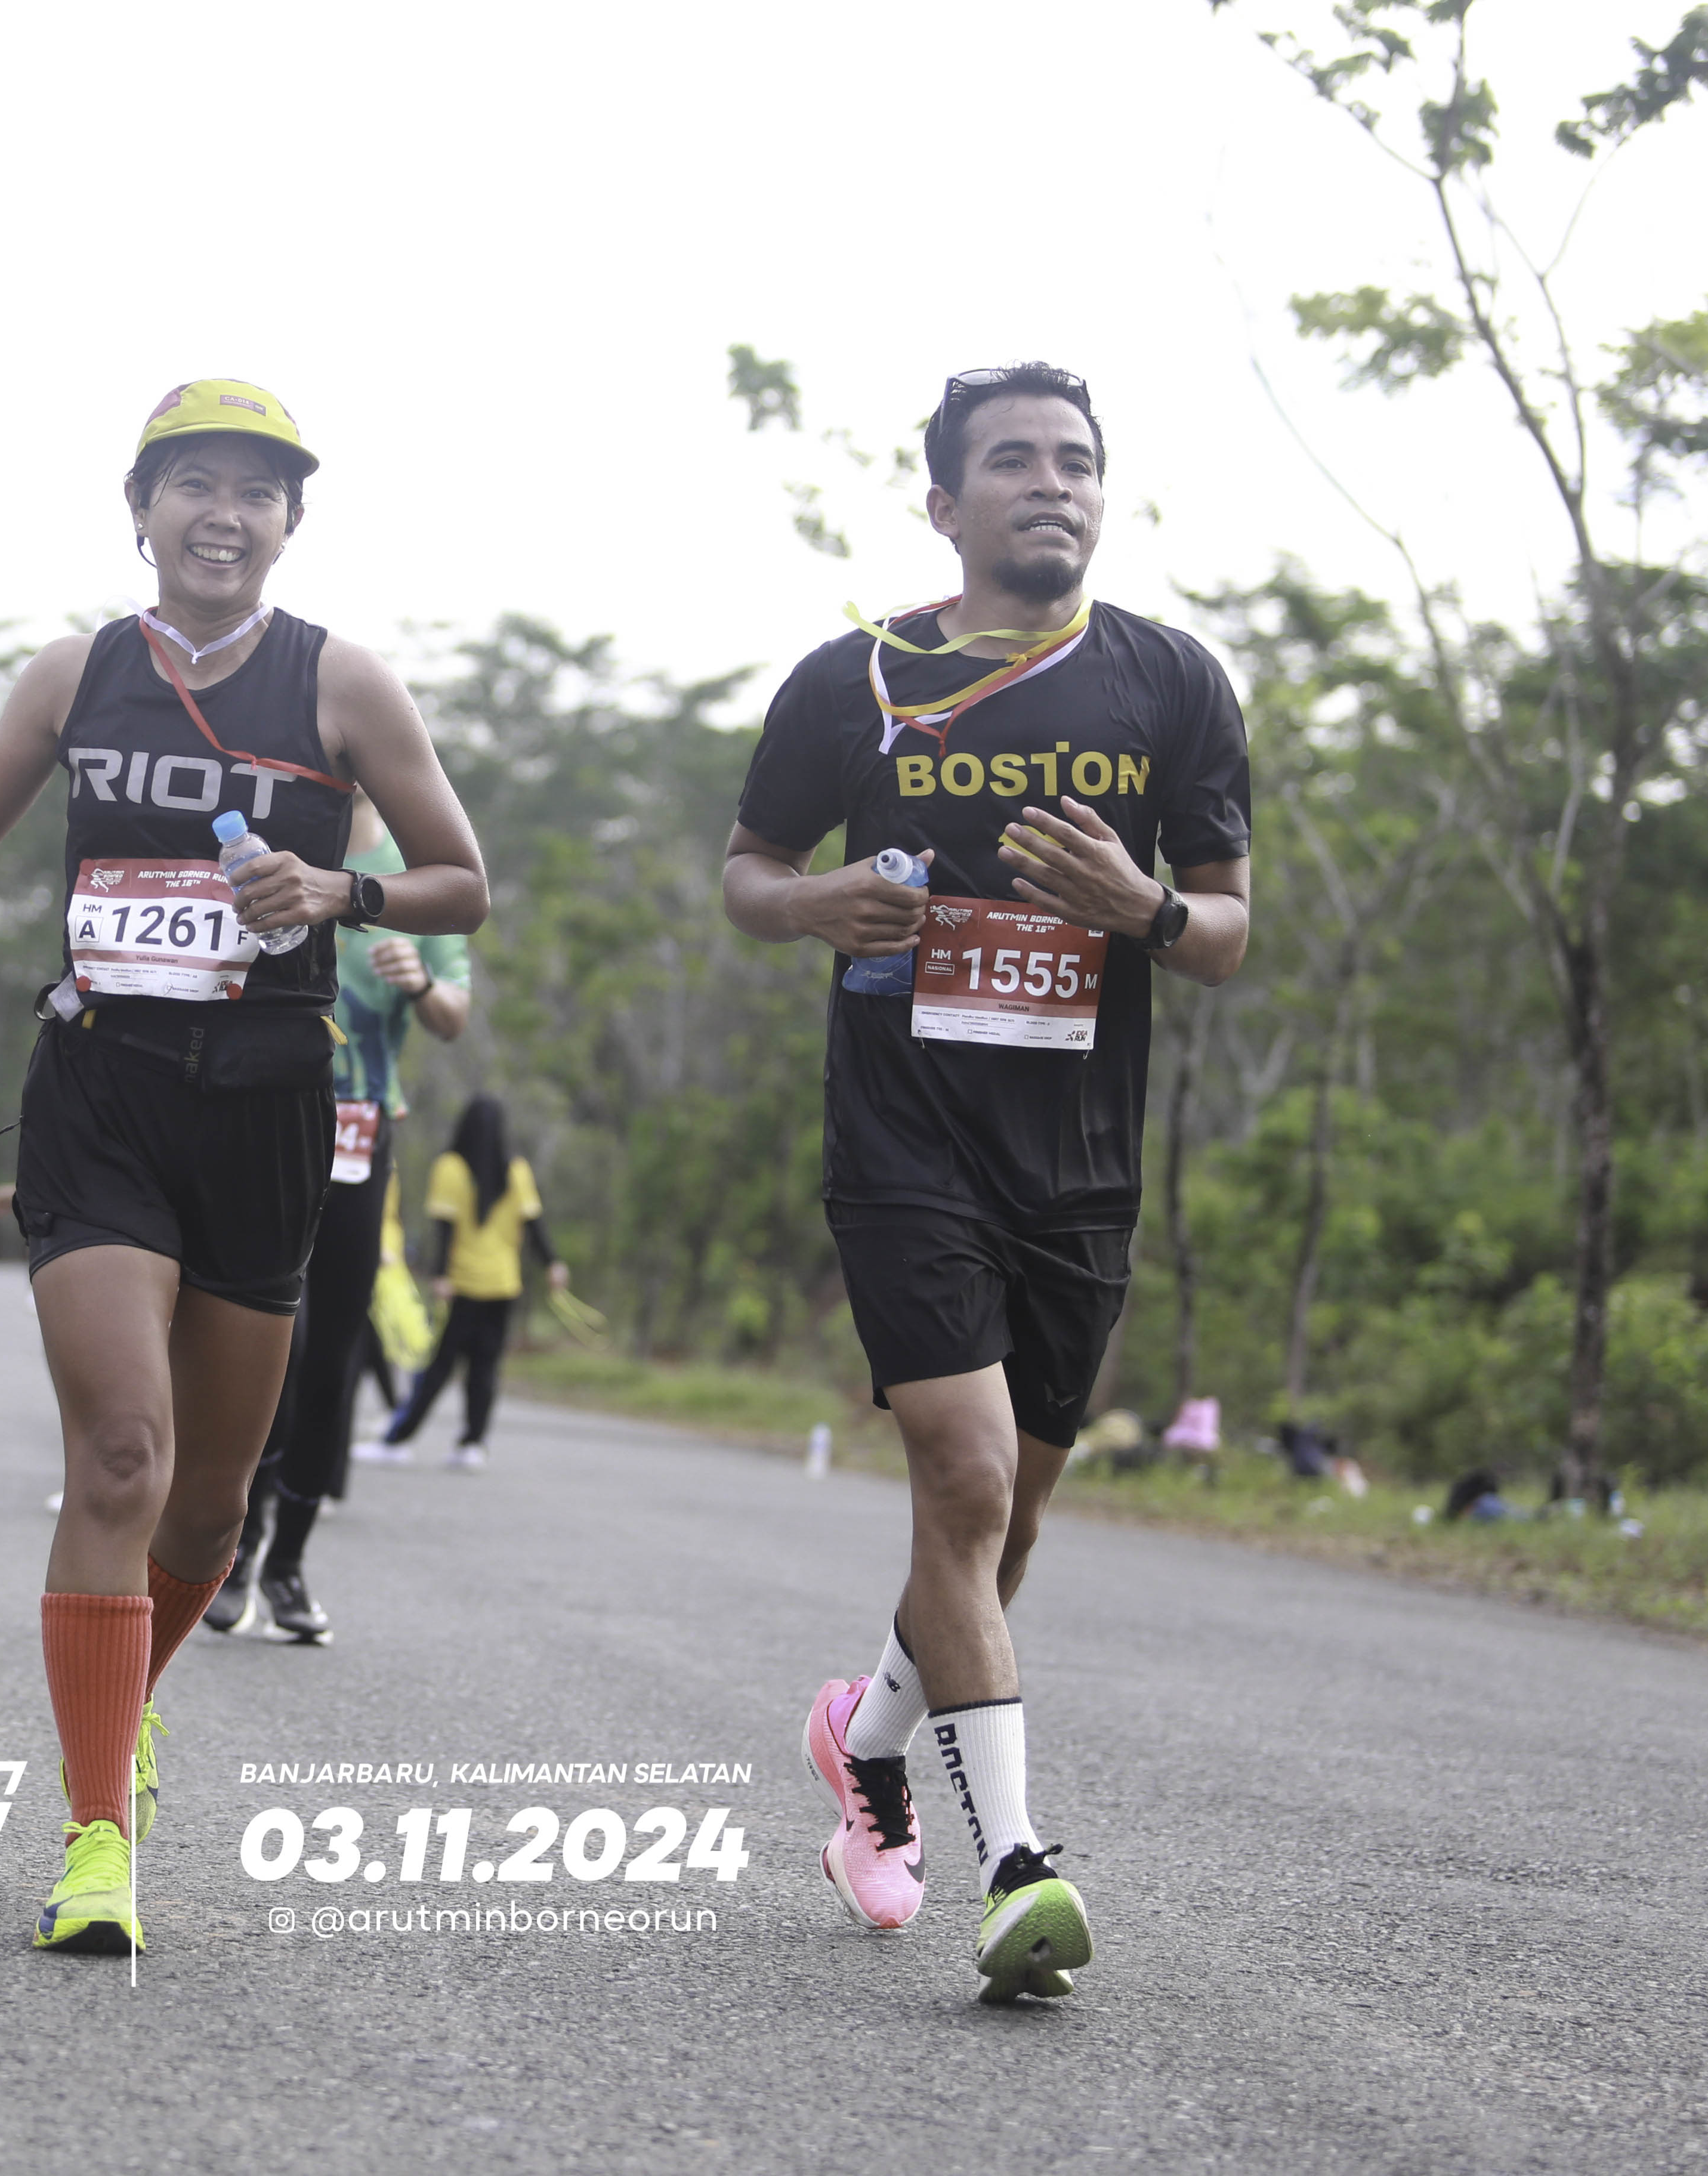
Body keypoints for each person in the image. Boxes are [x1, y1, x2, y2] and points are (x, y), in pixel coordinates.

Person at [0, 378, 486, 1958]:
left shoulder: (343, 682)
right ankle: (99, 1832)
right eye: (195, 486)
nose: (225, 517)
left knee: (212, 1503)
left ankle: (126, 1702)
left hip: (271, 1102)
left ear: (290, 524)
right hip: (102, 1090)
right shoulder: (76, 671)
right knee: (120, 1456)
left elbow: (463, 883)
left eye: (257, 493)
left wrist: (339, 894)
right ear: (142, 508)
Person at [721, 363, 1251, 2004]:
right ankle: (1017, 1866)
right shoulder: (856, 680)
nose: (1050, 482)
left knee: (1001, 1525)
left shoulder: (1169, 682)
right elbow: (748, 872)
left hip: (1076, 1160)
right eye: (1012, 459)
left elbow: (1225, 929)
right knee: (960, 1483)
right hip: (904, 1136)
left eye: (1074, 460)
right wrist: (813, 908)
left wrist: (1138, 905)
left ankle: (866, 1734)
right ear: (945, 503)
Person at [213, 791, 472, 1640]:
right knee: (269, 1350)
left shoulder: (415, 871)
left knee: (333, 1357)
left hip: (362, 1142)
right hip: (267, 1127)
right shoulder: (272, 846)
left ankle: (287, 1563)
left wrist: (420, 982)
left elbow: (453, 1016)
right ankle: (235, 1549)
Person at [370, 1094, 561, 1471]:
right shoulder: (517, 1170)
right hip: (504, 1286)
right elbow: (534, 1225)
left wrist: (440, 1275)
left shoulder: (450, 1167)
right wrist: (553, 1264)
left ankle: (398, 1439)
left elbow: (445, 1229)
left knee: (439, 1368)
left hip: (462, 1286)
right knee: (485, 1368)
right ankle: (473, 1443)